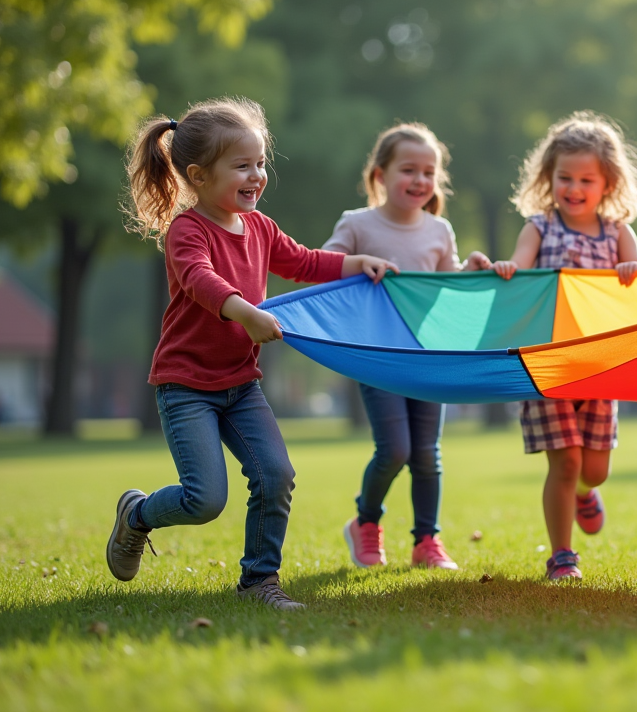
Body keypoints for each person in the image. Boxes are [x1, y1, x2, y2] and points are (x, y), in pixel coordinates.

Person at [107, 98, 397, 611]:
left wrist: (357, 263)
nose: (257, 176)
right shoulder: (188, 230)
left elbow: (303, 262)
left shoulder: (260, 227)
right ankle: (137, 515)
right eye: (242, 166)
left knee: (276, 475)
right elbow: (200, 279)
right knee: (204, 500)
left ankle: (259, 581)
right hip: (186, 386)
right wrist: (245, 312)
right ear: (198, 176)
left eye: (260, 163)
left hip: (241, 385)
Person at [493, 111, 637, 581]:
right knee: (565, 463)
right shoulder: (539, 227)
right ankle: (562, 555)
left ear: (607, 183)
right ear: (549, 177)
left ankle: (587, 493)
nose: (574, 188)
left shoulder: (617, 231)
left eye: (586, 179)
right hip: (548, 366)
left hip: (600, 366)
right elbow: (521, 270)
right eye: (565, 177)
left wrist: (633, 271)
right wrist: (507, 269)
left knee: (594, 470)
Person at [325, 123, 492, 571]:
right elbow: (325, 268)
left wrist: (471, 270)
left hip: (428, 356)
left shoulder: (439, 230)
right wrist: (358, 267)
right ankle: (365, 522)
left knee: (426, 456)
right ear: (380, 175)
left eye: (429, 172)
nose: (420, 180)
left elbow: (446, 285)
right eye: (409, 170)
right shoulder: (356, 223)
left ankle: (427, 541)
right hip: (378, 356)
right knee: (395, 450)